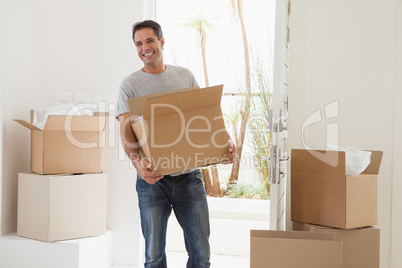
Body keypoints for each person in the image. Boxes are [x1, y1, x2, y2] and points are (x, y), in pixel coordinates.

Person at [116, 20, 236, 268]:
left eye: (149, 40)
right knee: (154, 256)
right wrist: (139, 165)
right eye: (139, 44)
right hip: (152, 181)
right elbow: (126, 132)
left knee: (201, 255)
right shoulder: (129, 85)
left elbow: (202, 121)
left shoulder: (184, 76)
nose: (144, 48)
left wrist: (222, 145)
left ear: (161, 41)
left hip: (189, 178)